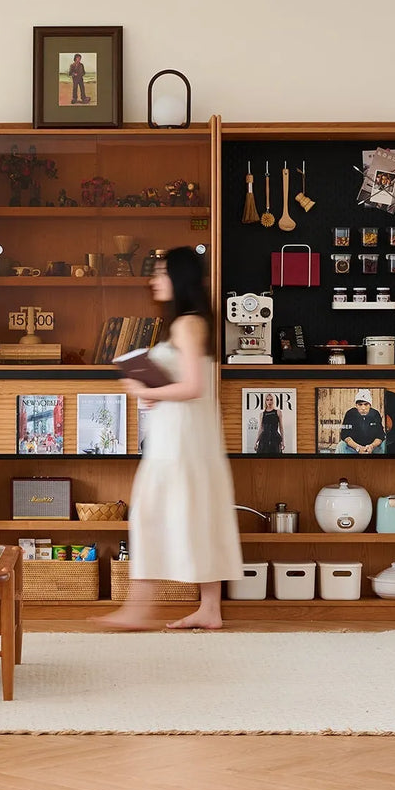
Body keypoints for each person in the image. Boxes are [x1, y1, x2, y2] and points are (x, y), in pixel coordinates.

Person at [102, 245, 243, 631]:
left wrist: (147, 392)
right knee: (200, 516)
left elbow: (194, 386)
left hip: (178, 445)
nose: (153, 280)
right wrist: (154, 393)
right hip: (189, 440)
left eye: (161, 272)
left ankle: (137, 608)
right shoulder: (194, 323)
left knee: (149, 515)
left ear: (178, 278)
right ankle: (210, 609)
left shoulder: (187, 325)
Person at [336, 388, 386, 454]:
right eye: (360, 404)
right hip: (354, 448)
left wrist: (371, 446)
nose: (363, 408)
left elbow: (380, 435)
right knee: (341, 445)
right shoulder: (350, 413)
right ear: (356, 405)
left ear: (370, 405)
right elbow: (344, 434)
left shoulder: (375, 414)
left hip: (372, 448)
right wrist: (358, 448)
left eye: (366, 404)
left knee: (384, 444)